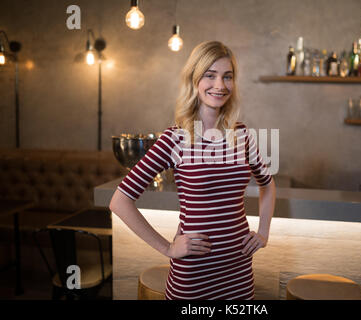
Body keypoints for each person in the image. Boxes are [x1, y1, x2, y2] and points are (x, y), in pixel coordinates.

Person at [109, 40, 276, 300]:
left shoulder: (242, 134)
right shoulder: (174, 138)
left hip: (239, 271)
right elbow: (119, 201)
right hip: (194, 274)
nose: (220, 85)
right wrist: (167, 248)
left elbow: (267, 183)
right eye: (210, 76)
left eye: (227, 77)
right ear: (194, 80)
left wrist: (263, 232)